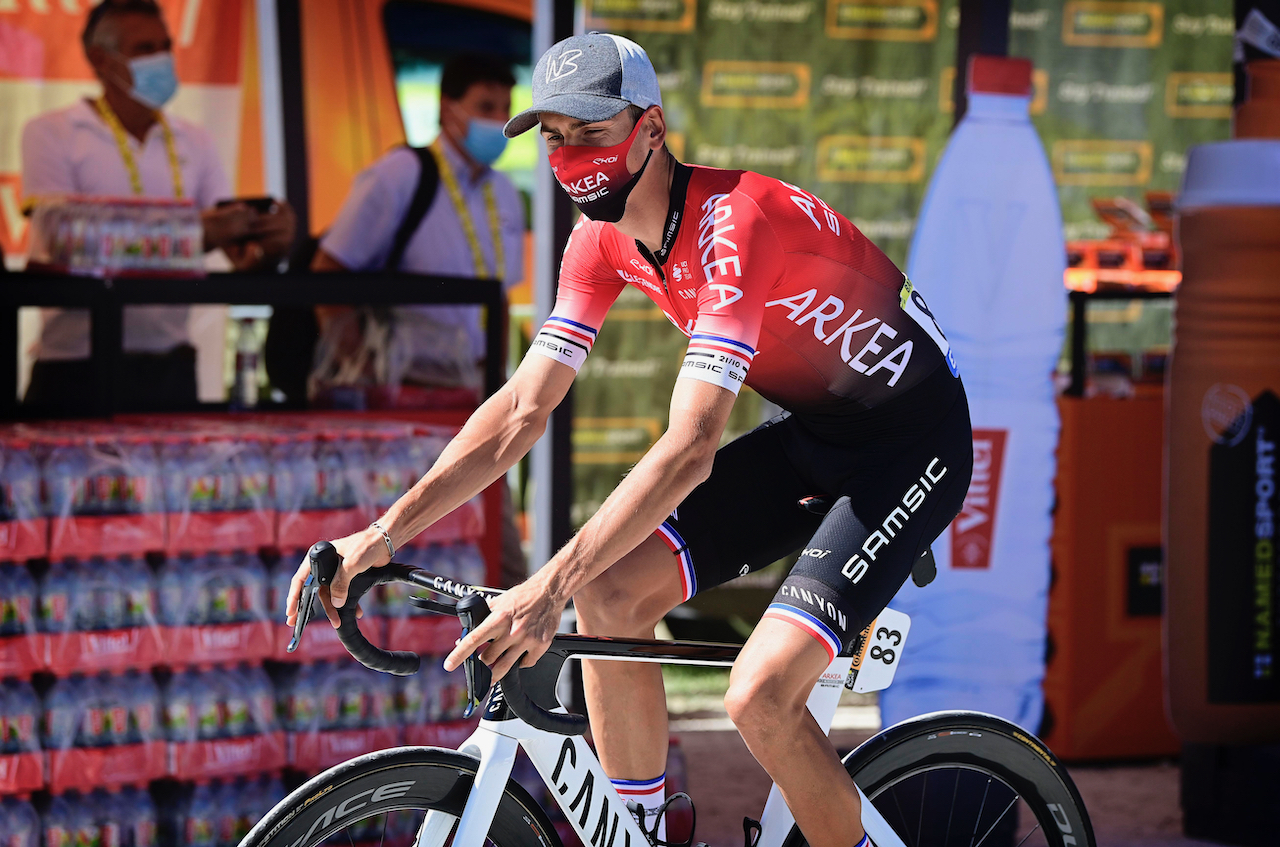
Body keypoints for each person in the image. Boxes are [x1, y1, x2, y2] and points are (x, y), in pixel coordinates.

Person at [287, 33, 973, 847]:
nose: (572, 157)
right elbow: (521, 410)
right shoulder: (599, 239)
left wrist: (546, 585)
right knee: (609, 592)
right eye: (555, 136)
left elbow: (691, 446)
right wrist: (381, 532)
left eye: (593, 131)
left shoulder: (734, 223)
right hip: (816, 432)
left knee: (759, 696)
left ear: (651, 128)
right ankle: (641, 832)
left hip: (911, 448)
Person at [20, 0, 295, 411]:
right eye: (145, 49)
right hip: (76, 363)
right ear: (101, 59)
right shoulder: (52, 133)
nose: (162, 60)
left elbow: (238, 253)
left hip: (170, 364)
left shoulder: (195, 140)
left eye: (166, 47)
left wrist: (268, 242)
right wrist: (196, 234)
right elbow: (64, 239)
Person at [312, 53, 525, 366]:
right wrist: (362, 369)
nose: (500, 120)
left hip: (473, 380)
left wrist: (495, 378)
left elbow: (500, 296)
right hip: (401, 380)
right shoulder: (399, 174)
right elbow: (329, 272)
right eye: (486, 107)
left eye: (506, 108)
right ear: (447, 108)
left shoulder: (505, 191)